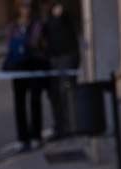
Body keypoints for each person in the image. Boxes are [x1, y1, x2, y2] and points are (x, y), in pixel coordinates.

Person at [3, 0, 48, 150]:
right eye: (23, 6)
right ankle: (22, 137)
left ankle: (36, 135)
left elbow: (35, 43)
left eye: (28, 6)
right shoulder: (12, 27)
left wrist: (26, 43)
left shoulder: (36, 24)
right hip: (18, 66)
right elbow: (9, 45)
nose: (26, 9)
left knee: (35, 100)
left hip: (34, 64)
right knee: (19, 102)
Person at [44, 0, 79, 139]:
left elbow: (66, 16)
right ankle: (60, 126)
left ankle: (70, 125)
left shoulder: (62, 9)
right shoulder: (47, 14)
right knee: (55, 94)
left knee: (66, 92)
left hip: (66, 56)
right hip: (54, 58)